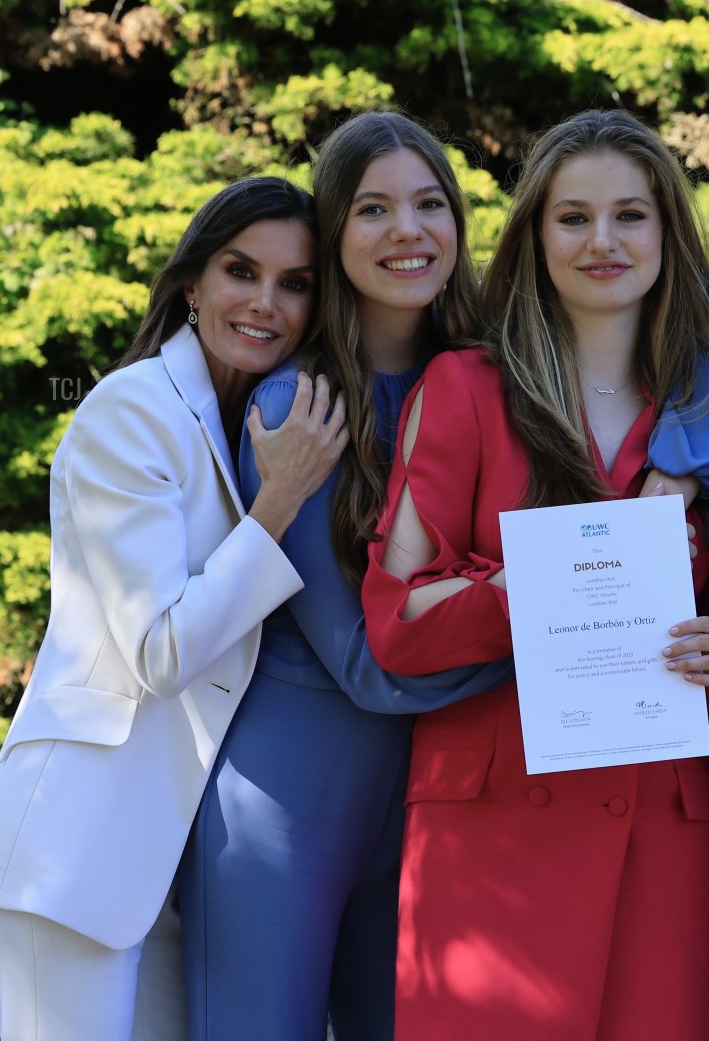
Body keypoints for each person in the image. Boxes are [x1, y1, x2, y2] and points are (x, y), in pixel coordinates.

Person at [361, 108, 709, 1041]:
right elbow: (396, 619)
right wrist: (552, 580)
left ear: (668, 232)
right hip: (492, 830)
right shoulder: (463, 388)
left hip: (656, 826)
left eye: (630, 216)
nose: (602, 241)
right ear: (536, 237)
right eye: (573, 217)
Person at [0, 176, 348, 1041]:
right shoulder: (129, 410)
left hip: (163, 872)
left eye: (294, 283)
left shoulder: (243, 420)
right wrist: (278, 503)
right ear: (193, 283)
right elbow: (160, 650)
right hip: (71, 860)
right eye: (241, 271)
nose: (265, 302)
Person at [177, 111, 513, 1041]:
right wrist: (556, 645)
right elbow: (368, 665)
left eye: (430, 203)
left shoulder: (493, 381)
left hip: (427, 803)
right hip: (283, 806)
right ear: (334, 233)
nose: (408, 229)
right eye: (373, 208)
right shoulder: (297, 404)